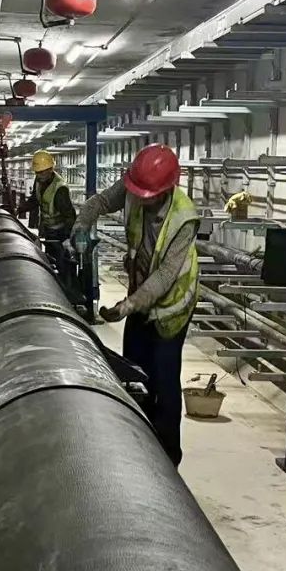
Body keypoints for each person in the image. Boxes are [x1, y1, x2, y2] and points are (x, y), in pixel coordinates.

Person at [72, 144, 199, 467]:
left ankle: (167, 459)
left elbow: (166, 275)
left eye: (149, 196)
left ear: (166, 188)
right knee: (133, 371)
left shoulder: (183, 218)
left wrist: (128, 306)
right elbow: (99, 202)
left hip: (172, 304)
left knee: (163, 378)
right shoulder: (134, 185)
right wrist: (82, 225)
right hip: (140, 293)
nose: (141, 199)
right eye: (137, 192)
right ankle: (135, 446)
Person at [27, 149, 76, 257]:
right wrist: (19, 209)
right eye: (37, 172)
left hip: (60, 233)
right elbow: (34, 199)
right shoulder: (39, 180)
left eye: (42, 172)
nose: (39, 175)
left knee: (61, 260)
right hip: (48, 230)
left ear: (50, 169)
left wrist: (68, 237)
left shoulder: (59, 189)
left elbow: (69, 215)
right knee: (49, 257)